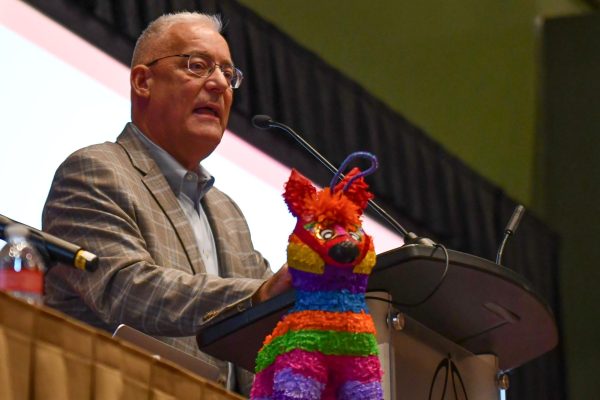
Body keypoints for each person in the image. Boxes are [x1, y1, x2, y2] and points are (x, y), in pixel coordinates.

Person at [42, 12, 291, 395]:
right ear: (143, 81)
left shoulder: (228, 214)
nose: (219, 83)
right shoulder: (95, 171)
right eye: (197, 66)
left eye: (228, 73)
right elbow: (127, 289)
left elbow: (267, 318)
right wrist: (257, 295)